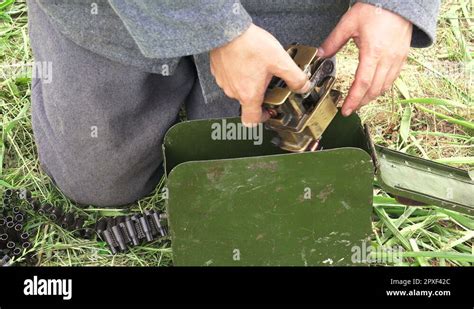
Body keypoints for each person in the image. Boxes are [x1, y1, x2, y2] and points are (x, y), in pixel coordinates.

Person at [27, 0, 440, 207]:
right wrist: (215, 29)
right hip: (114, 13)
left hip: (278, 8)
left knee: (253, 176)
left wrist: (397, 5)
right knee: (101, 182)